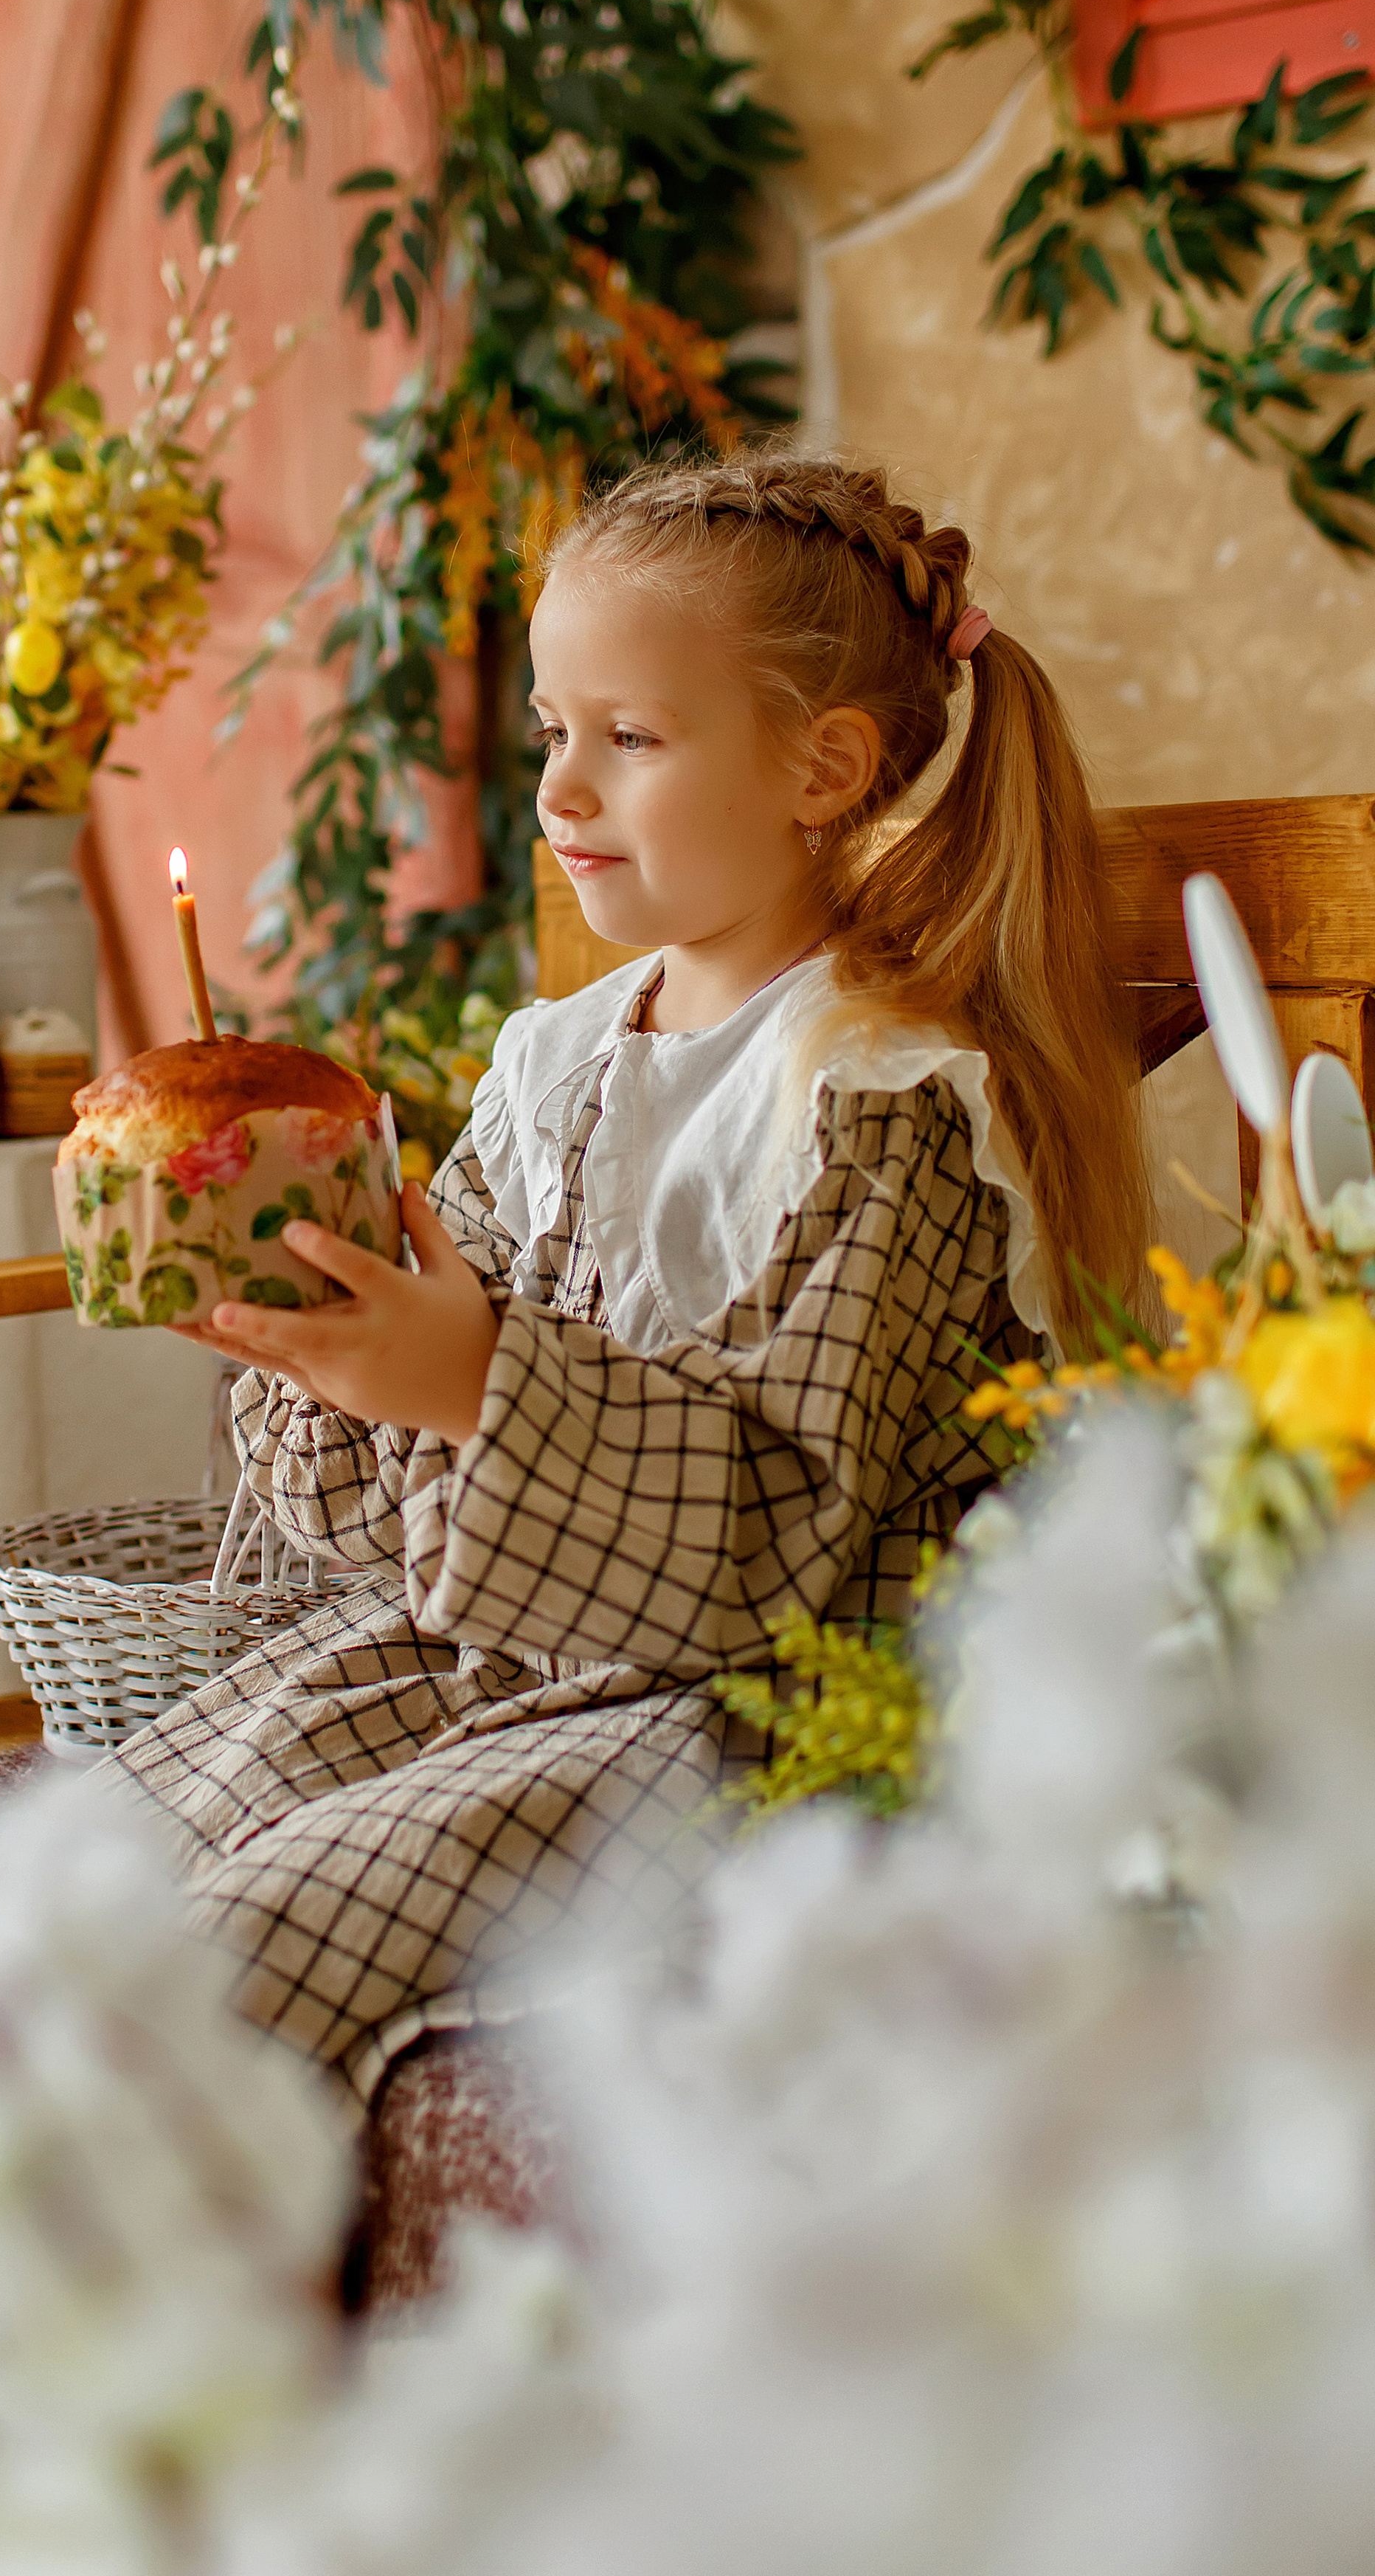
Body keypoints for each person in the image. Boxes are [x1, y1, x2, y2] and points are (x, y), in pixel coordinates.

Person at [125, 452, 1149, 2101]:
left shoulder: (871, 1102)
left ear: (823, 768)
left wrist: (467, 1385)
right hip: (530, 1648)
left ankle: (187, 2318)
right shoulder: (559, 1063)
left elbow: (778, 1542)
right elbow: (403, 1486)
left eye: (631, 738)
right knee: (98, 1867)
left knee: (242, 1944)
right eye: (551, 731)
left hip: (775, 1714)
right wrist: (330, 1354)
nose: (559, 795)